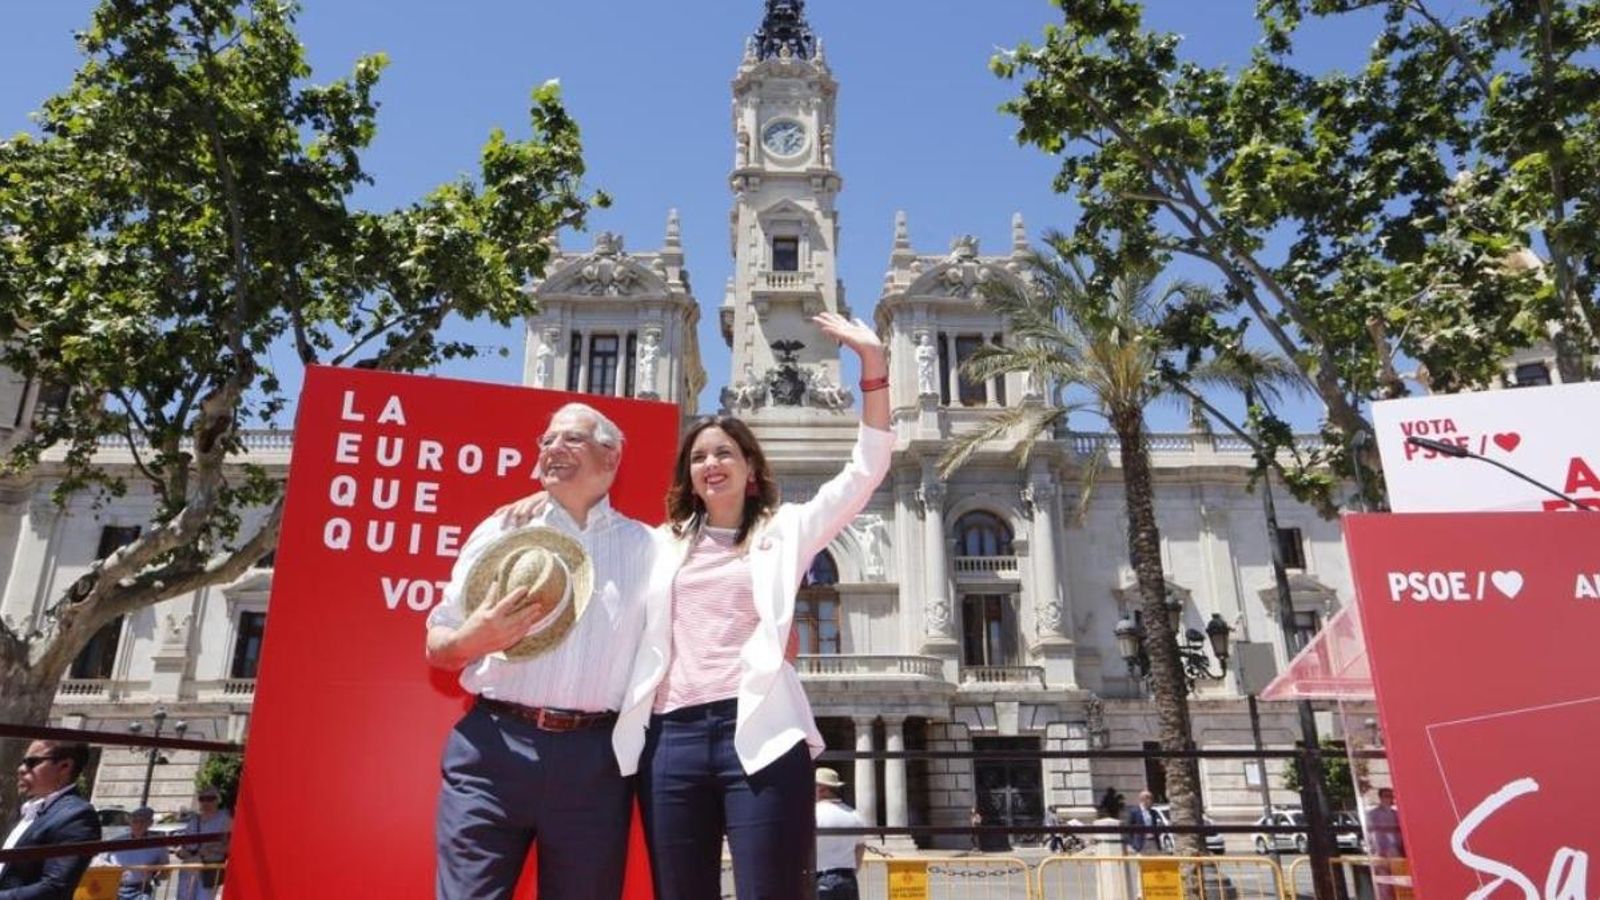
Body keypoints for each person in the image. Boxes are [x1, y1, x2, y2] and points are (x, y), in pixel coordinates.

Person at [615, 312, 893, 900]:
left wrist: (872, 365)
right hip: (671, 738)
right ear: (690, 477)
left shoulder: (787, 529)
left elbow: (866, 471)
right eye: (699, 457)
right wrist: (533, 512)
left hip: (761, 732)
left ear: (749, 469)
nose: (711, 464)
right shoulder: (656, 543)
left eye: (724, 454)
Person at [425, 402, 656, 900]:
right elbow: (438, 647)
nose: (552, 448)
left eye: (571, 439)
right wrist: (473, 640)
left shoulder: (650, 549)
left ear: (611, 458)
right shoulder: (502, 530)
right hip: (491, 751)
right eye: (546, 441)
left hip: (595, 764)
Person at [0, 740, 100, 900]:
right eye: (22, 762)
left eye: (32, 762)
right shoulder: (29, 808)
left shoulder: (77, 816)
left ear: (64, 766)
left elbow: (55, 888)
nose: (21, 769)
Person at [813, 768, 869, 900]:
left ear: (822, 789)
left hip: (822, 879)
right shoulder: (855, 815)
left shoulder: (812, 814)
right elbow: (860, 847)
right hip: (848, 881)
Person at [95, 807, 168, 900]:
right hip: (116, 887)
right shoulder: (117, 842)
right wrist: (112, 869)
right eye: (134, 821)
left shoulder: (157, 845)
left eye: (142, 821)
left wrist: (157, 875)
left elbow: (165, 869)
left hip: (141, 889)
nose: (138, 825)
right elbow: (99, 861)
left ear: (150, 823)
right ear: (130, 822)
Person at [172, 788, 230, 900]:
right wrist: (180, 851)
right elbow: (184, 843)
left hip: (209, 869)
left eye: (210, 798)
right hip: (189, 867)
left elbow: (232, 846)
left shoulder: (226, 819)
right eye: (202, 799)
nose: (206, 802)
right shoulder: (194, 820)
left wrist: (212, 850)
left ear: (218, 800)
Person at [1365, 787, 1406, 900]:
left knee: (1400, 881)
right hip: (1381, 853)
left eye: (1391, 796)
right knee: (1384, 883)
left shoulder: (1397, 814)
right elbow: (1372, 835)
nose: (1390, 799)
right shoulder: (1373, 814)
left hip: (1397, 852)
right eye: (1387, 796)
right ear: (1381, 797)